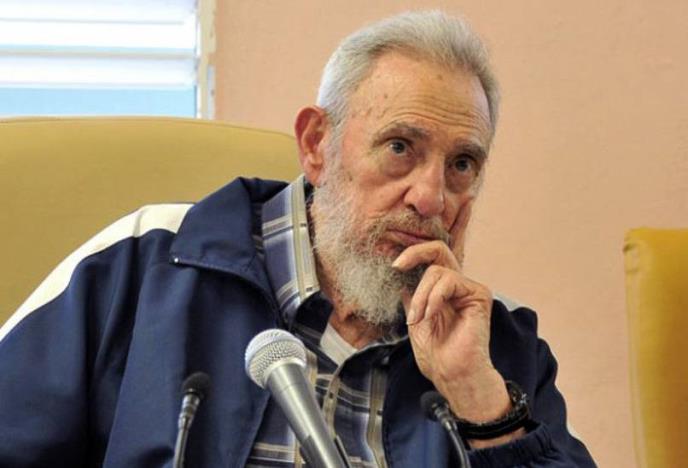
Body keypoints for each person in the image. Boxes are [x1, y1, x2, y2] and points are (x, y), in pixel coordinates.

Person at [0, 10, 595, 467]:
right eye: (400, 147)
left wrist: (481, 404)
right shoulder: (144, 264)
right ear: (316, 145)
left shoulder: (500, 349)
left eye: (462, 164)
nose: (431, 197)